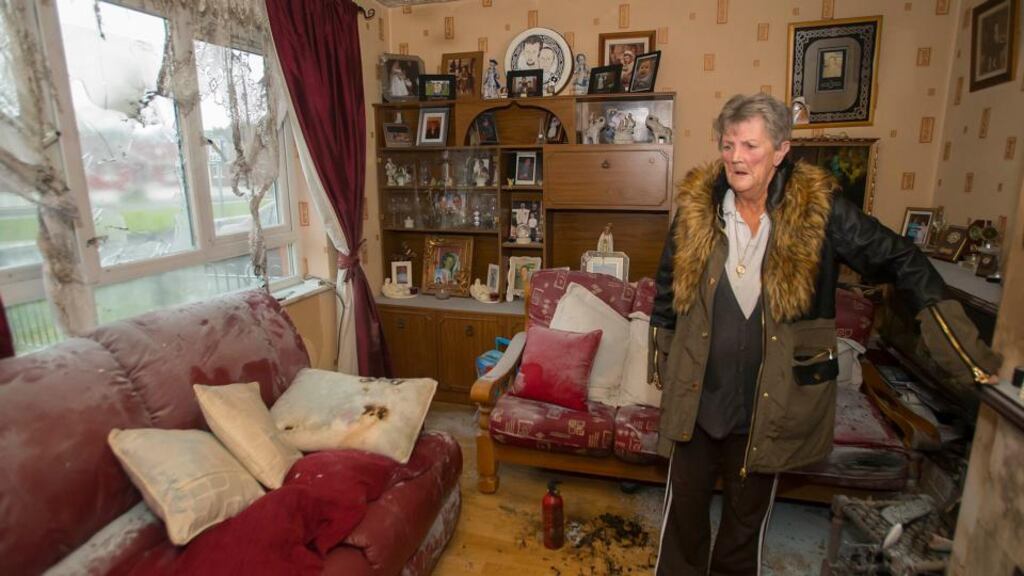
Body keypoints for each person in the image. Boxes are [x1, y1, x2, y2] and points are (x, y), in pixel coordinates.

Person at [650, 93, 1001, 576]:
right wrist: (666, 357)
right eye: (728, 144)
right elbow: (667, 287)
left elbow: (900, 258)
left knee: (742, 530)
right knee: (682, 525)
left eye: (750, 145)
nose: (735, 157)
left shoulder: (818, 209)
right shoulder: (697, 207)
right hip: (697, 399)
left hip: (768, 405)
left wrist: (963, 350)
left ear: (781, 150)